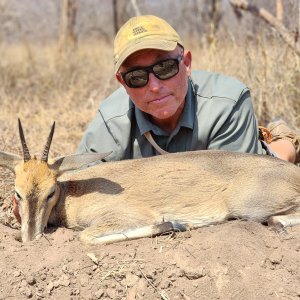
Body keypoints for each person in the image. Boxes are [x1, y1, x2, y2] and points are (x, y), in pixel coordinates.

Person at [77, 15, 299, 164]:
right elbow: (77, 186)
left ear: (187, 64)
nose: (154, 86)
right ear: (123, 83)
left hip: (252, 160)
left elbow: (234, 190)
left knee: (277, 162)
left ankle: (282, 137)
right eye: (136, 77)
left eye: (165, 68)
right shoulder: (110, 122)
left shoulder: (227, 104)